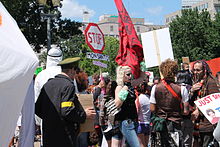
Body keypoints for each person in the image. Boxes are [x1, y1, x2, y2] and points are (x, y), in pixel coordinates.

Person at [35, 57, 96, 147]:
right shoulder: (68, 86)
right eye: (75, 71)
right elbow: (67, 111)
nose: (75, 74)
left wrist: (51, 119)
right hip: (64, 136)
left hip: (48, 135)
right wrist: (84, 115)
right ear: (71, 70)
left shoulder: (48, 84)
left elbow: (37, 108)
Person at [150, 59, 189, 147]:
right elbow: (186, 111)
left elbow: (152, 108)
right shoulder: (182, 89)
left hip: (160, 125)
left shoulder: (155, 88)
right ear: (176, 72)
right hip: (176, 124)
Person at [189, 60, 220, 147]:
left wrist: (199, 110)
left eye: (198, 70)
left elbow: (215, 103)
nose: (196, 72)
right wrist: (192, 91)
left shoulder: (211, 82)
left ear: (205, 70)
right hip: (198, 124)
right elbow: (191, 102)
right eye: (194, 70)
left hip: (208, 125)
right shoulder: (197, 82)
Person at [114, 65, 140, 147]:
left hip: (134, 121)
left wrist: (139, 64)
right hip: (126, 122)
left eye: (131, 74)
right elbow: (117, 104)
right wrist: (124, 91)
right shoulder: (119, 87)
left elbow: (141, 78)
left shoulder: (130, 85)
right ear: (122, 75)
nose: (130, 76)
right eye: (128, 74)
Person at [99, 80, 123, 147]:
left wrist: (102, 125)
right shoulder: (118, 100)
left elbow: (101, 114)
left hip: (106, 125)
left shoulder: (103, 99)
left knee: (109, 145)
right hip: (117, 125)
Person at [176, 70, 193, 147]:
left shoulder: (174, 88)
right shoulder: (191, 88)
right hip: (188, 117)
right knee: (187, 141)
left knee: (177, 141)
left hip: (176, 118)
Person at [135, 81, 151, 147]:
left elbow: (137, 111)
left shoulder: (138, 99)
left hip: (140, 124)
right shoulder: (149, 98)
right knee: (146, 144)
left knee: (141, 144)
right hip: (148, 123)